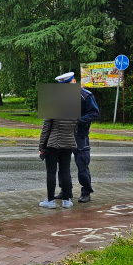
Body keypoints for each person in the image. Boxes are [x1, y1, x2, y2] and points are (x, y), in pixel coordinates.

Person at [53, 71, 100, 203]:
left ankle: (86, 191)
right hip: (64, 133)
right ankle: (65, 190)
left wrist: (77, 120)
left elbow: (95, 113)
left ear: (74, 82)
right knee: (62, 164)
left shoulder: (85, 95)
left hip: (80, 135)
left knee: (82, 163)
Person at [38, 73, 79, 209]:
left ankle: (50, 201)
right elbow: (75, 126)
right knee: (65, 171)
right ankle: (66, 201)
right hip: (68, 143)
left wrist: (41, 145)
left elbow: (46, 128)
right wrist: (71, 139)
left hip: (53, 143)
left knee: (51, 172)